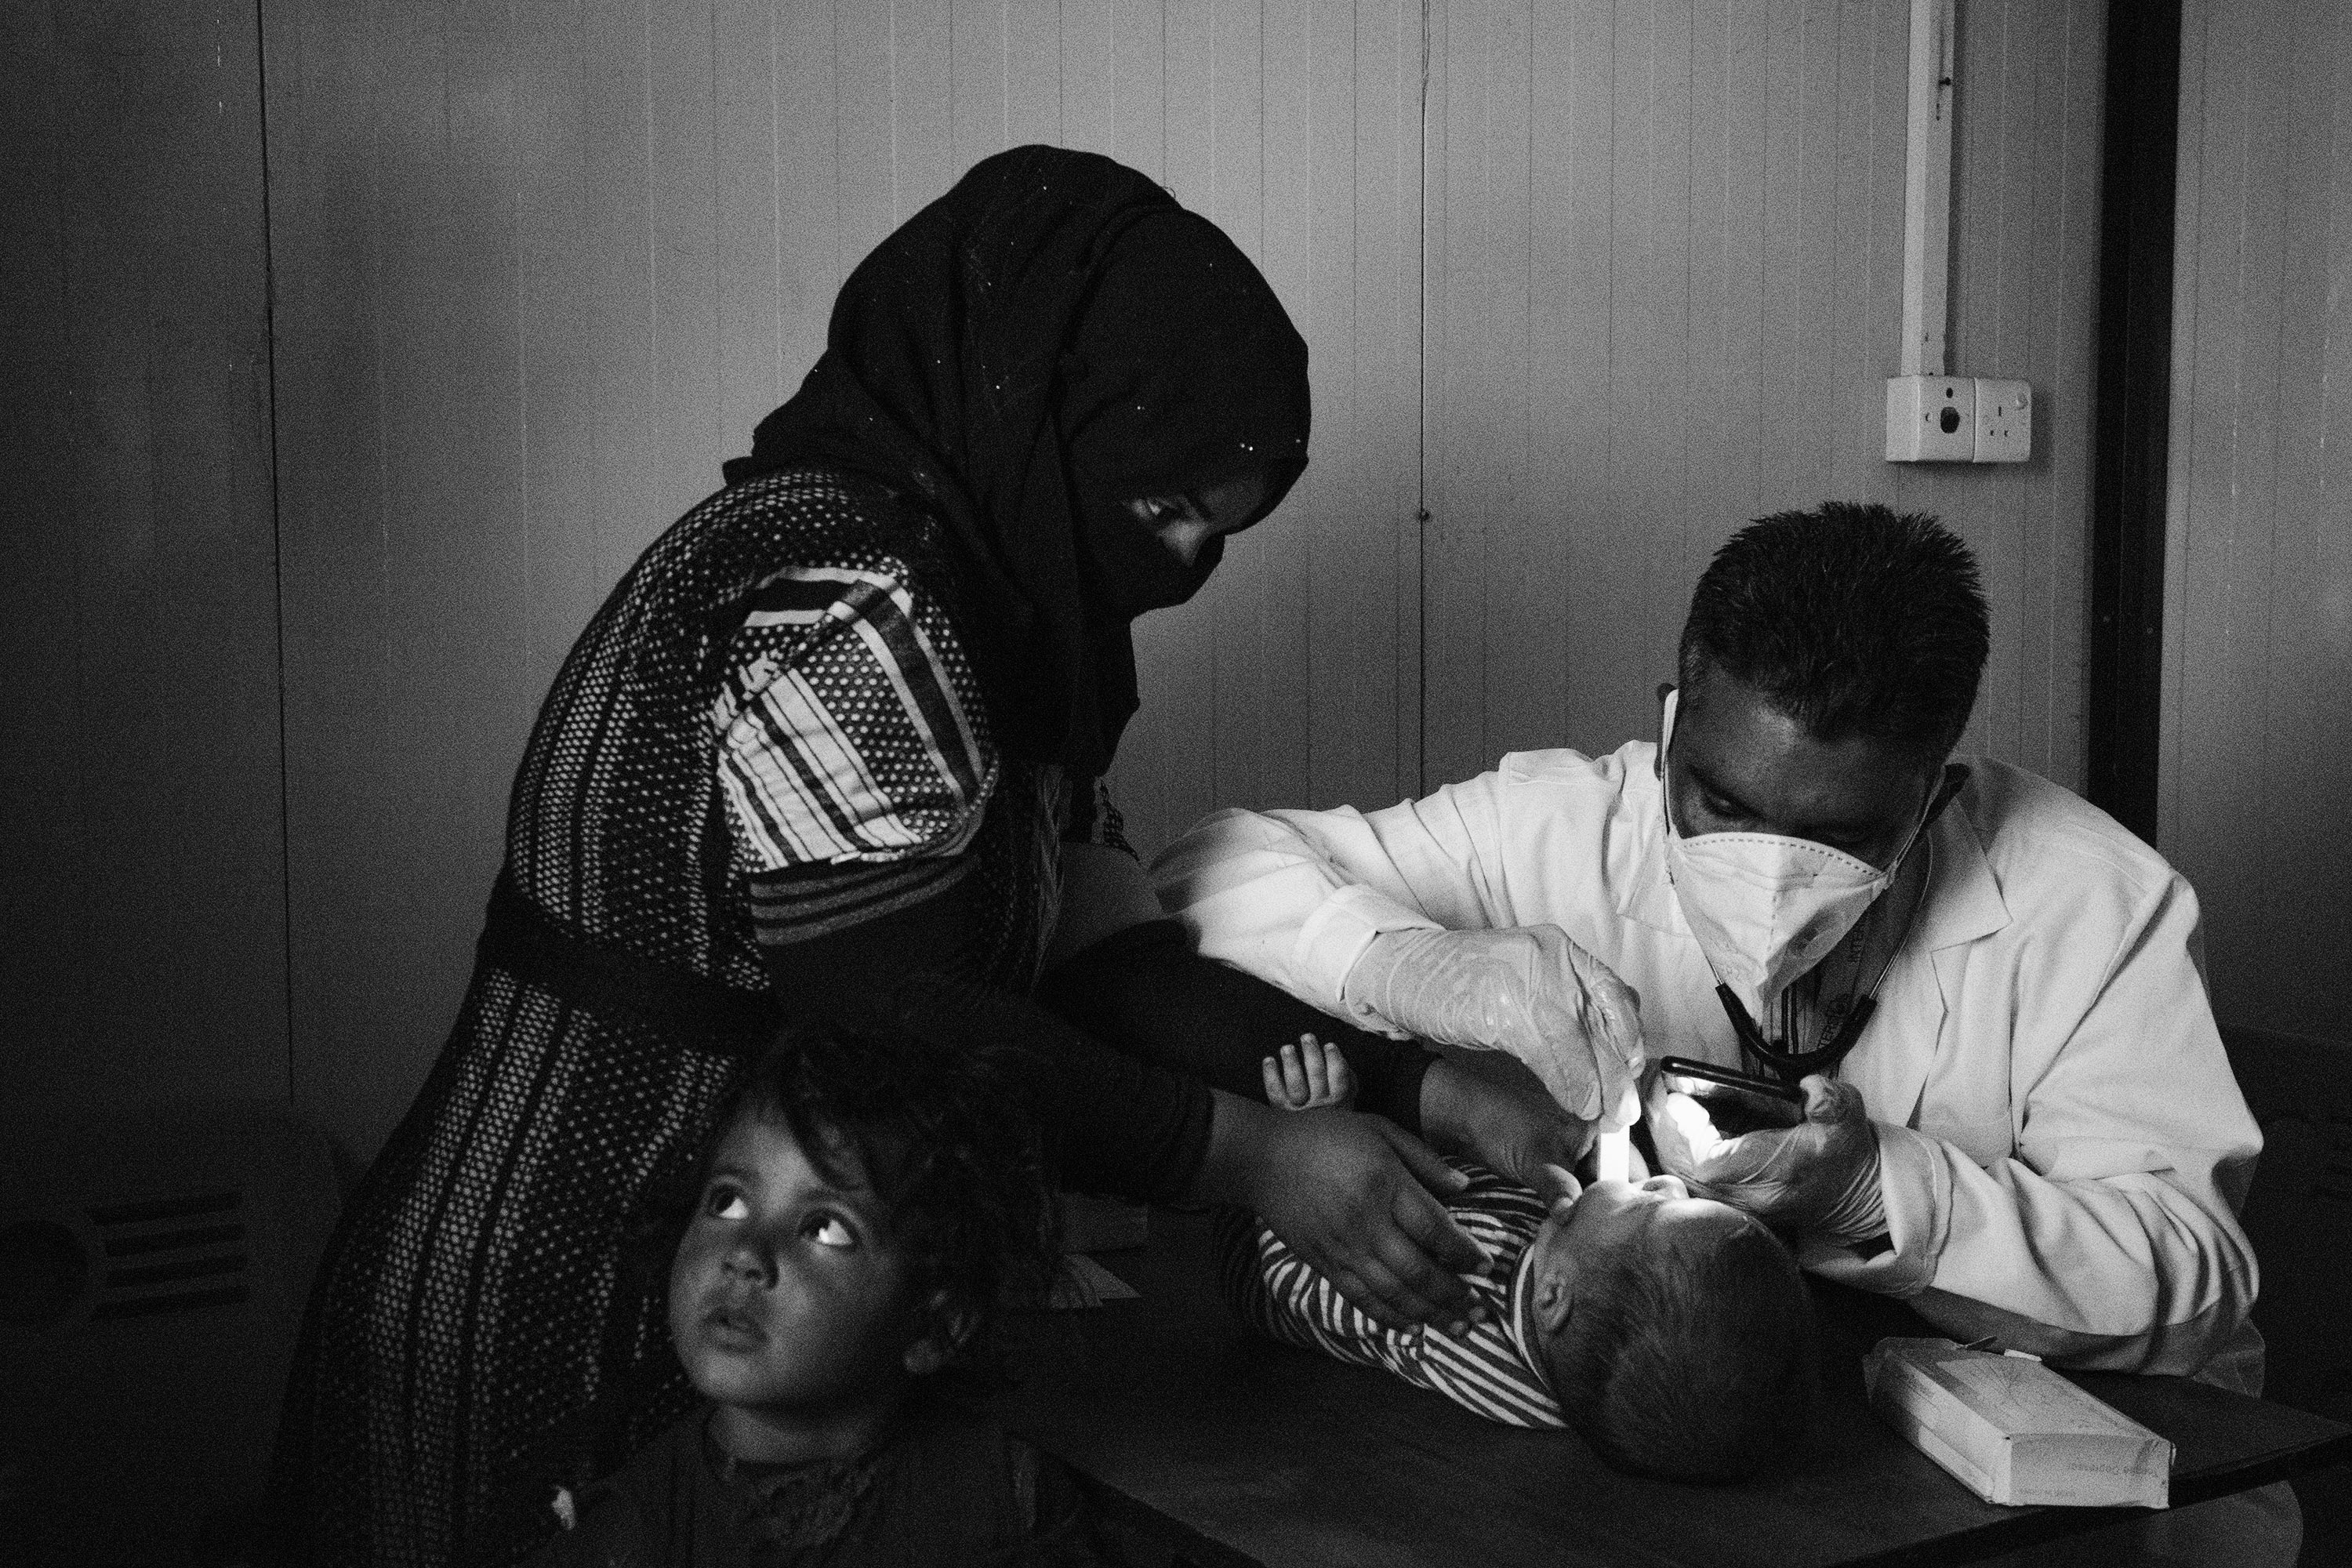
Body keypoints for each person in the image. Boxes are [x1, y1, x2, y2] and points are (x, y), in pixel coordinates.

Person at [269, 143, 1546, 1567]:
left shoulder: (1010, 635)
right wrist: (1260, 1163)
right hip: (545, 1308)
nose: (1182, 562)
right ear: (1044, 418)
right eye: (1159, 506)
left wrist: (1417, 1086)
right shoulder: (839, 596)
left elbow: (1105, 965)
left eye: (1215, 533)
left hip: (747, 1329)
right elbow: (903, 1023)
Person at [1156, 503, 2263, 1391]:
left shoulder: (2095, 905)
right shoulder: (1565, 825)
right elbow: (1205, 872)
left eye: (1836, 835)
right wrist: (1414, 966)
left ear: (1935, 797)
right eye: (1723, 802)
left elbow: (2191, 1278)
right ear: (1673, 725)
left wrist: (1879, 1196)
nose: (1770, 864)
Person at [526, 1022, 1104, 1566]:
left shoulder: (1008, 1505)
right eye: (727, 1201)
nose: (746, 1253)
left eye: (825, 1228)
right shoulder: (626, 1537)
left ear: (934, 1328)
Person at [1224, 1041, 1817, 1480]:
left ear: (1554, 1296)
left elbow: (1307, 1280)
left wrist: (1312, 1135)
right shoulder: (1585, 1321)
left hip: (1266, 1245)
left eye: (1651, 1209)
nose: (1669, 1185)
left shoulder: (1460, 1313)